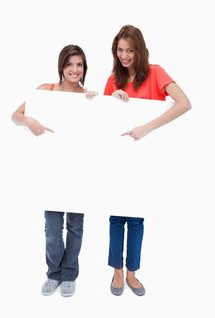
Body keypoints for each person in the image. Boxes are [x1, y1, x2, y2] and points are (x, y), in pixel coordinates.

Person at [104, 25, 191, 296]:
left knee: (137, 219)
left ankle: (132, 272)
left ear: (139, 50)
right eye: (120, 50)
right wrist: (112, 100)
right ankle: (116, 271)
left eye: (130, 50)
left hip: (146, 159)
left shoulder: (155, 72)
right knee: (117, 217)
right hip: (118, 160)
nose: (124, 55)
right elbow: (102, 121)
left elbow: (184, 103)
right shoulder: (113, 78)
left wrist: (148, 126)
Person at [12, 44, 97, 297]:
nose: (75, 69)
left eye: (79, 64)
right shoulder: (44, 91)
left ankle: (69, 274)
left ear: (84, 69)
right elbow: (14, 115)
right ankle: (53, 273)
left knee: (75, 226)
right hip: (51, 171)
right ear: (61, 66)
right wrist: (29, 120)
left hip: (79, 171)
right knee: (52, 227)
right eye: (70, 64)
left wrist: (99, 102)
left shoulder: (89, 96)